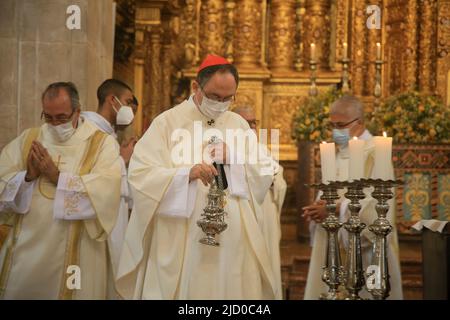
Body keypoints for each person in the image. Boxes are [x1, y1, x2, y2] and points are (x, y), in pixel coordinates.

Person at [115, 54, 278, 299]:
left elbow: (263, 174)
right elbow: (141, 174)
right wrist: (185, 174)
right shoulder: (168, 123)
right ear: (196, 87)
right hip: (181, 236)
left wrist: (234, 158)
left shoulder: (238, 125)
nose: (221, 104)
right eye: (214, 96)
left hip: (231, 239)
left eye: (228, 98)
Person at [0, 82, 122, 299]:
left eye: (62, 117)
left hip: (77, 249)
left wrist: (57, 176)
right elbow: (2, 181)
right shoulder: (30, 138)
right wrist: (27, 177)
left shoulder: (101, 144)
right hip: (27, 248)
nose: (55, 124)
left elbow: (106, 191)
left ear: (77, 111)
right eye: (48, 117)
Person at [302, 95, 403, 300]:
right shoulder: (340, 151)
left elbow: (377, 202)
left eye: (340, 125)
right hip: (334, 240)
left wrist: (337, 209)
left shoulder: (375, 150)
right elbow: (331, 191)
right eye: (332, 125)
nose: (335, 131)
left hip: (365, 248)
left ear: (359, 123)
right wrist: (319, 207)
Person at [82, 79, 137, 276]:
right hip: (98, 219)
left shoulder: (108, 134)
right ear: (112, 100)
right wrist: (122, 160)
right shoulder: (88, 130)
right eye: (128, 101)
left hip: (114, 213)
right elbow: (91, 176)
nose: (130, 108)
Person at [232, 105, 287, 299]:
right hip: (243, 211)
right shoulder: (227, 149)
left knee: (267, 258)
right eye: (247, 123)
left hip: (267, 212)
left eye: (254, 122)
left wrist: (273, 181)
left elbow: (278, 178)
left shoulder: (263, 149)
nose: (252, 127)